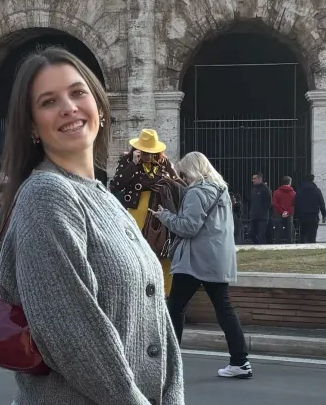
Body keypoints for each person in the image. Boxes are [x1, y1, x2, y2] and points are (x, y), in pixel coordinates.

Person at [0, 47, 184, 405]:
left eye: (78, 93)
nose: (69, 107)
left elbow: (155, 310)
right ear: (32, 127)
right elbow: (71, 329)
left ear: (98, 103)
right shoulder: (46, 195)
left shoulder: (105, 197)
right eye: (49, 101)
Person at [156, 151, 250, 379]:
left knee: (175, 308)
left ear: (192, 170)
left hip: (194, 260)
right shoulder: (221, 191)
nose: (184, 178)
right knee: (224, 309)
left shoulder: (196, 193)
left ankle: (170, 363)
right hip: (218, 259)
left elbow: (188, 227)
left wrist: (165, 216)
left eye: (184, 174)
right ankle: (240, 361)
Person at [110, 130, 181, 291]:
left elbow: (176, 181)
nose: (148, 156)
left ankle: (165, 292)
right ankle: (137, 288)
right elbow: (116, 186)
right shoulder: (127, 160)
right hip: (137, 211)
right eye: (145, 153)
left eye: (151, 153)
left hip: (159, 209)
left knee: (162, 247)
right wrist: (133, 165)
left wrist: (166, 180)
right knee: (136, 249)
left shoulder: (163, 161)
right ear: (138, 150)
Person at [293, 174, 326, 243]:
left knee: (302, 236)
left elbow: (296, 203)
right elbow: (321, 203)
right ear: (313, 180)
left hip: (302, 216)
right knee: (312, 236)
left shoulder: (300, 190)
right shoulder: (316, 190)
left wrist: (296, 215)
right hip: (313, 216)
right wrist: (324, 215)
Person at [247, 173, 272, 245]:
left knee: (261, 234)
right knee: (251, 233)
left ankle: (262, 247)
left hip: (262, 217)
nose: (253, 180)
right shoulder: (254, 189)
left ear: (260, 179)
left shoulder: (265, 189)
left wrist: (263, 211)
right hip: (254, 215)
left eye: (254, 178)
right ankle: (256, 245)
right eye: (252, 179)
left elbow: (269, 203)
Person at [271, 175, 296, 244]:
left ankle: (277, 243)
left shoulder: (277, 192)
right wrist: (288, 212)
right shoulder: (293, 193)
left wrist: (282, 211)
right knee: (289, 230)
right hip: (289, 214)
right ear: (290, 182)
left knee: (278, 231)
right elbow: (294, 205)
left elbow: (274, 203)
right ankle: (289, 244)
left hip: (278, 213)